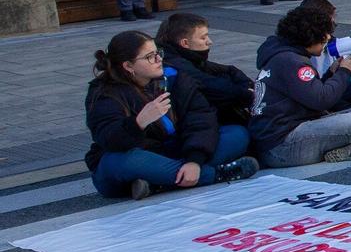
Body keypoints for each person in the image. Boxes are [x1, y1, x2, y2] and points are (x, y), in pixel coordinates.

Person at [86, 30, 256, 199]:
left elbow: (200, 117)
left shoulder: (174, 77)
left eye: (158, 53)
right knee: (122, 162)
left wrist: (194, 160)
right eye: (150, 57)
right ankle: (213, 175)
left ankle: (157, 182)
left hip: (174, 151)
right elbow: (108, 138)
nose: (159, 59)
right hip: (139, 157)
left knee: (236, 134)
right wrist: (138, 123)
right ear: (128, 66)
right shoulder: (105, 92)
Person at [249, 6, 351, 167]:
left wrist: (331, 74)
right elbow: (322, 100)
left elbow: (307, 94)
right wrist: (344, 72)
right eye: (324, 35)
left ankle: (349, 148)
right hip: (282, 146)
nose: (328, 37)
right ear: (310, 35)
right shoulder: (291, 61)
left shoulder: (285, 56)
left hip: (286, 136)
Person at [155, 12, 255, 128]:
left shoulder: (179, 55)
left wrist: (246, 85)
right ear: (185, 43)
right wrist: (247, 93)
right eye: (203, 38)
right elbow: (213, 87)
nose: (209, 41)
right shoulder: (175, 64)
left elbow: (228, 70)